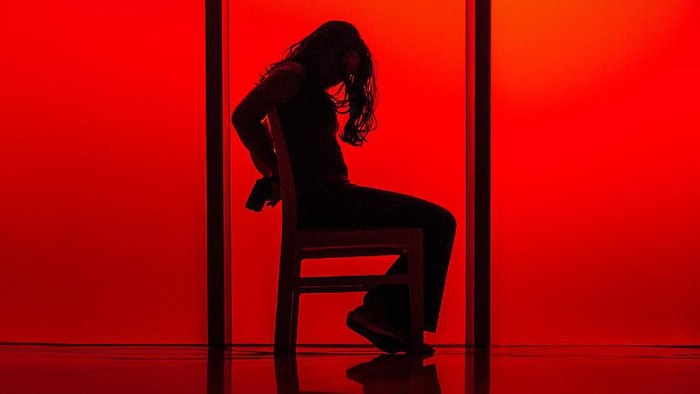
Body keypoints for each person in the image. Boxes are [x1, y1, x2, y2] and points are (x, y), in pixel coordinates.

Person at [231, 21, 456, 355]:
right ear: (330, 54)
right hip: (325, 201)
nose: (341, 80)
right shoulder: (291, 78)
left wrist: (277, 171)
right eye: (341, 67)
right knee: (438, 221)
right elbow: (243, 115)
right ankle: (381, 312)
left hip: (330, 198)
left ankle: (383, 311)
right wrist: (275, 170)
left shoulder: (301, 81)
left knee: (434, 223)